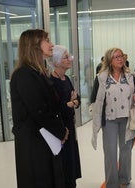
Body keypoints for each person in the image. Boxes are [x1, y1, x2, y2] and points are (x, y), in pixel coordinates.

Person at [10, 29, 69, 188]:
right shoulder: (24, 75)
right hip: (33, 145)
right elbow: (39, 111)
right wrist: (61, 131)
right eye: (47, 40)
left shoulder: (38, 72)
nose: (52, 44)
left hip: (45, 141)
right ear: (34, 45)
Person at [90, 47, 135, 188]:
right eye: (116, 57)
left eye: (121, 56)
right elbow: (94, 98)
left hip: (127, 118)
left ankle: (124, 179)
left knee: (126, 150)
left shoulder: (130, 76)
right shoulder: (101, 78)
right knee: (110, 152)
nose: (120, 59)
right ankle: (112, 182)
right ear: (109, 60)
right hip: (109, 119)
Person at [49, 45, 82, 188]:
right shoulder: (50, 82)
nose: (70, 59)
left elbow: (77, 99)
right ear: (56, 62)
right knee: (62, 163)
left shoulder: (66, 78)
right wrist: (69, 103)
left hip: (70, 125)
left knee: (71, 161)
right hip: (59, 129)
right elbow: (54, 108)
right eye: (66, 57)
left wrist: (73, 102)